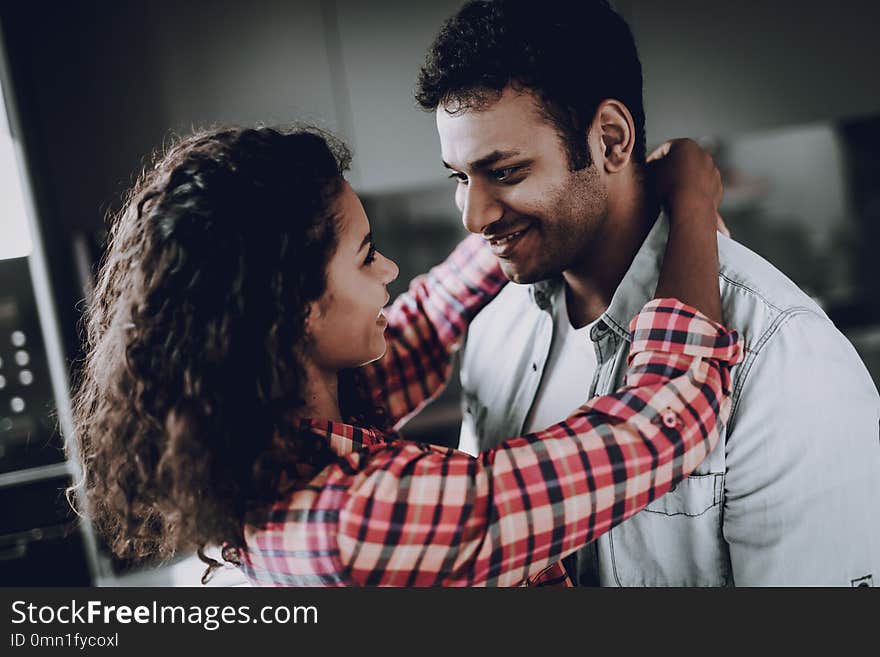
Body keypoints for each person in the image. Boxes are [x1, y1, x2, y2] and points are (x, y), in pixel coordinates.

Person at [68, 124, 739, 587]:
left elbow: (420, 323)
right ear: (292, 308)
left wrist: (528, 214)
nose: (387, 268)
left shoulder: (265, 442)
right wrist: (691, 200)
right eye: (364, 256)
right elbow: (665, 424)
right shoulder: (354, 522)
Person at [416, 0, 880, 586]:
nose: (472, 215)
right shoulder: (493, 334)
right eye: (459, 178)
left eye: (504, 172)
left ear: (611, 140)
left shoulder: (780, 353)